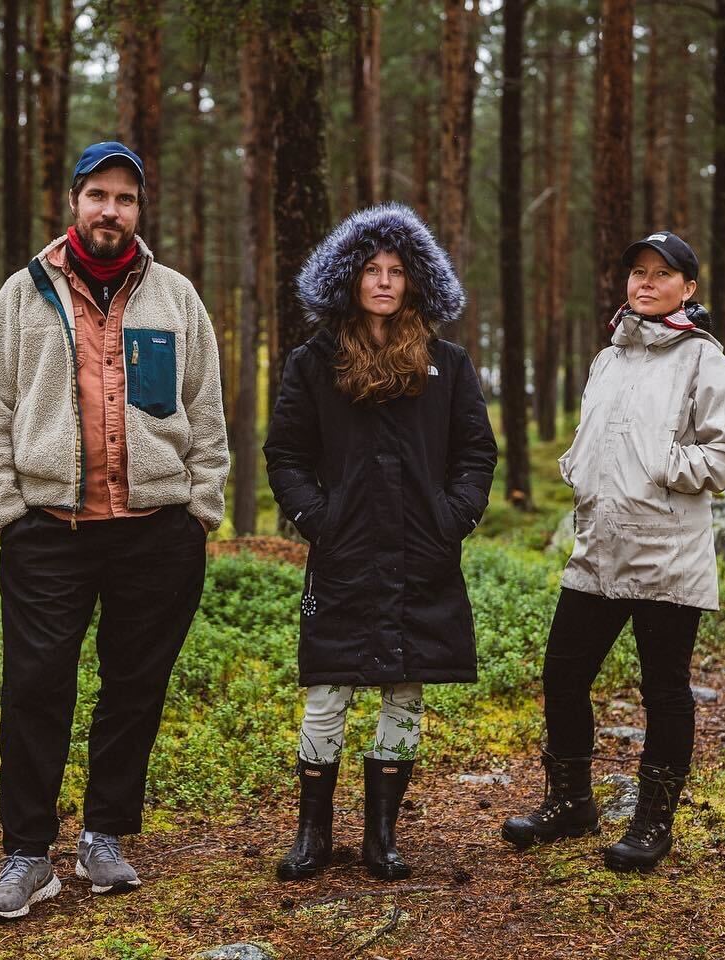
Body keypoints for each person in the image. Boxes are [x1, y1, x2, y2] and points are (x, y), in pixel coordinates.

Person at [0, 141, 229, 920]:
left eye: (126, 198)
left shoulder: (176, 298)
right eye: (99, 195)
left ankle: (104, 835)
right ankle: (27, 854)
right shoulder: (21, 296)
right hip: (50, 529)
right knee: (35, 687)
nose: (111, 210)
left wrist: (201, 509)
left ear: (139, 210)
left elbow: (206, 410)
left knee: (134, 688)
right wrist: (7, 514)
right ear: (74, 201)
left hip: (156, 531)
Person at [500, 230, 725, 872]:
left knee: (664, 690)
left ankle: (652, 822)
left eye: (661, 273)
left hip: (666, 554)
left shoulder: (703, 360)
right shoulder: (609, 358)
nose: (644, 281)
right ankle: (572, 800)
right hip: (597, 550)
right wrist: (579, 469)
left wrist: (665, 464)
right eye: (637, 271)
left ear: (687, 289)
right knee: (563, 674)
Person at [265, 203, 497, 882]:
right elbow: (285, 453)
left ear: (417, 280)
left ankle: (381, 837)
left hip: (423, 555)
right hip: (342, 556)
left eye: (397, 270)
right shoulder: (314, 363)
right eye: (372, 269)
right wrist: (318, 517)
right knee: (327, 688)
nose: (385, 281)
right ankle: (312, 834)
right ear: (350, 278)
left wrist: (452, 517)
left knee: (405, 688)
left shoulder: (446, 366)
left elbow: (476, 452)